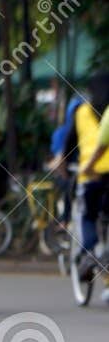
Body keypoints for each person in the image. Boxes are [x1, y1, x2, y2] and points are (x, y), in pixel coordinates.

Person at [69, 71, 109, 271]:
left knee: (88, 216)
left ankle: (89, 253)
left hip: (92, 174)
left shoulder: (81, 112)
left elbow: (70, 145)